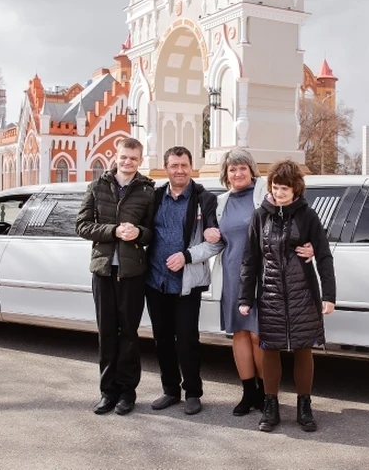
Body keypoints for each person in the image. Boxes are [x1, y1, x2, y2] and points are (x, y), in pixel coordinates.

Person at [213, 148, 315, 416]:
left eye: (242, 168)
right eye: (232, 169)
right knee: (240, 334)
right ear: (226, 174)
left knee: (261, 335)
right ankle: (249, 392)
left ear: (251, 170)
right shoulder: (221, 202)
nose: (237, 173)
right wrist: (193, 251)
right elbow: (217, 241)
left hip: (265, 274)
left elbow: (300, 221)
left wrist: (312, 246)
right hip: (234, 274)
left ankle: (267, 394)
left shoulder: (266, 194)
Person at [239, 159, 336, 433]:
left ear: (296, 189)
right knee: (270, 348)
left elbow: (325, 255)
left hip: (303, 294)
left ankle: (304, 406)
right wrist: (245, 298)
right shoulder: (260, 216)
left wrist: (329, 295)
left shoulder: (307, 215)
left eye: (284, 188)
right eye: (275, 187)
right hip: (270, 294)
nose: (278, 193)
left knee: (304, 348)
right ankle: (271, 406)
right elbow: (250, 260)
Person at [76, 137, 156, 416]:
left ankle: (127, 392)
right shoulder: (97, 187)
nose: (127, 162)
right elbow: (82, 225)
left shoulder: (147, 191)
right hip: (103, 270)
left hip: (132, 272)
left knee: (129, 334)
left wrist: (138, 234)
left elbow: (152, 232)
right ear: (116, 156)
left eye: (133, 158)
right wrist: (113, 231)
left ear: (140, 160)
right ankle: (107, 392)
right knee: (107, 333)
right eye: (124, 157)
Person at [146, 146, 224, 416]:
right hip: (156, 280)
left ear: (192, 167)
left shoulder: (205, 199)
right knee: (162, 339)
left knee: (187, 339)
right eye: (174, 165)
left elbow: (215, 243)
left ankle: (193, 392)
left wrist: (187, 256)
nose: (179, 170)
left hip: (186, 282)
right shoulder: (155, 197)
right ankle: (170, 390)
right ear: (166, 167)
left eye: (184, 165)